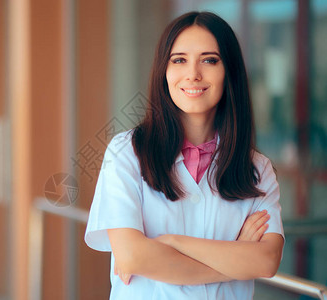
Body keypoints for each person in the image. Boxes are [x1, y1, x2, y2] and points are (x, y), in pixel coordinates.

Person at [84, 11, 284, 300]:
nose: (193, 74)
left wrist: (171, 243)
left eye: (209, 59)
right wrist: (236, 260)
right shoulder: (127, 151)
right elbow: (132, 257)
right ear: (164, 71)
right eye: (179, 60)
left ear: (229, 71)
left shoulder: (257, 169)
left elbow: (265, 261)